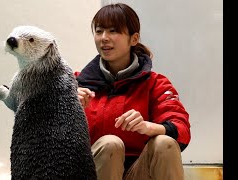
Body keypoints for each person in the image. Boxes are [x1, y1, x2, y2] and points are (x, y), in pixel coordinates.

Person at [74, 3, 191, 180]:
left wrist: (148, 127)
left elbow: (180, 128)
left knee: (164, 142)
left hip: (140, 172)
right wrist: (68, 107)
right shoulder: (74, 84)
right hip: (91, 172)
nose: (104, 38)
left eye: (113, 31)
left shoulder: (155, 84)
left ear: (134, 39)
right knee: (110, 144)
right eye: (99, 31)